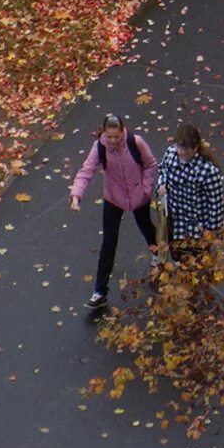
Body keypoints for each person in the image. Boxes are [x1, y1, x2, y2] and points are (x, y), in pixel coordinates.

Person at [69, 113, 159, 308]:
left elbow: (150, 165)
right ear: (104, 133)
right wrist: (77, 195)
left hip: (138, 196)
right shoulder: (100, 147)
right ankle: (100, 292)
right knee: (108, 244)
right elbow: (87, 171)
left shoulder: (135, 142)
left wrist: (145, 189)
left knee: (146, 228)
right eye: (109, 137)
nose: (113, 140)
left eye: (116, 136)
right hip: (113, 198)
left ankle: (158, 255)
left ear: (122, 131)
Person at [156, 123, 224, 261]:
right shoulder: (170, 154)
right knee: (177, 257)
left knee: (197, 263)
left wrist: (211, 231)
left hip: (196, 227)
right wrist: (161, 184)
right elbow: (162, 169)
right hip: (175, 221)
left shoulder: (207, 171)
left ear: (195, 148)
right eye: (178, 146)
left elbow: (216, 204)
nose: (180, 151)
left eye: (185, 148)